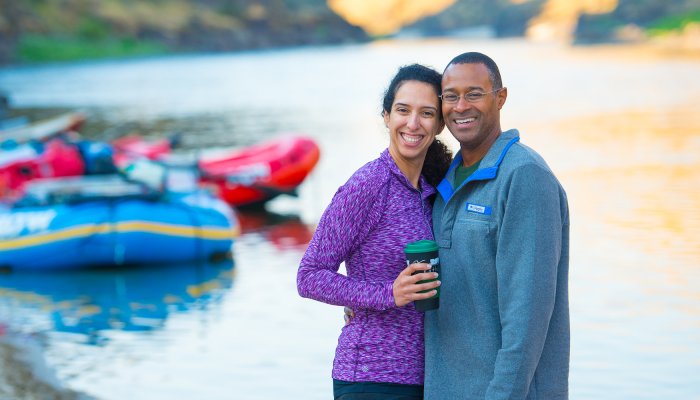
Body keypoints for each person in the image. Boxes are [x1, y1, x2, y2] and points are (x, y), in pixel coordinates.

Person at [297, 63, 452, 400]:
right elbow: (309, 276)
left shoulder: (432, 189)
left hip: (426, 378)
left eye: (426, 113)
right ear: (386, 116)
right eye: (402, 110)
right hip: (371, 376)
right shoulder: (368, 185)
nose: (413, 123)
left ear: (440, 124)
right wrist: (386, 294)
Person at [424, 52, 570, 399]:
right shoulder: (444, 179)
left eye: (474, 93)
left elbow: (527, 316)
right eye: (451, 96)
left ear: (500, 98)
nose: (461, 106)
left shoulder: (524, 176)